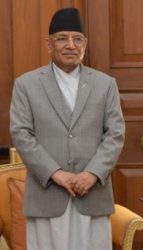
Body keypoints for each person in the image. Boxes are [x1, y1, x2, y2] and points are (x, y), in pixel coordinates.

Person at [10, 8, 125, 250]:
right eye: (62, 38)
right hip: (48, 193)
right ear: (49, 44)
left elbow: (115, 134)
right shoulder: (26, 85)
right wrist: (56, 173)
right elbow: (21, 134)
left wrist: (92, 173)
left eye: (77, 38)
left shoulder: (105, 84)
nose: (70, 45)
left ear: (85, 44)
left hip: (92, 193)